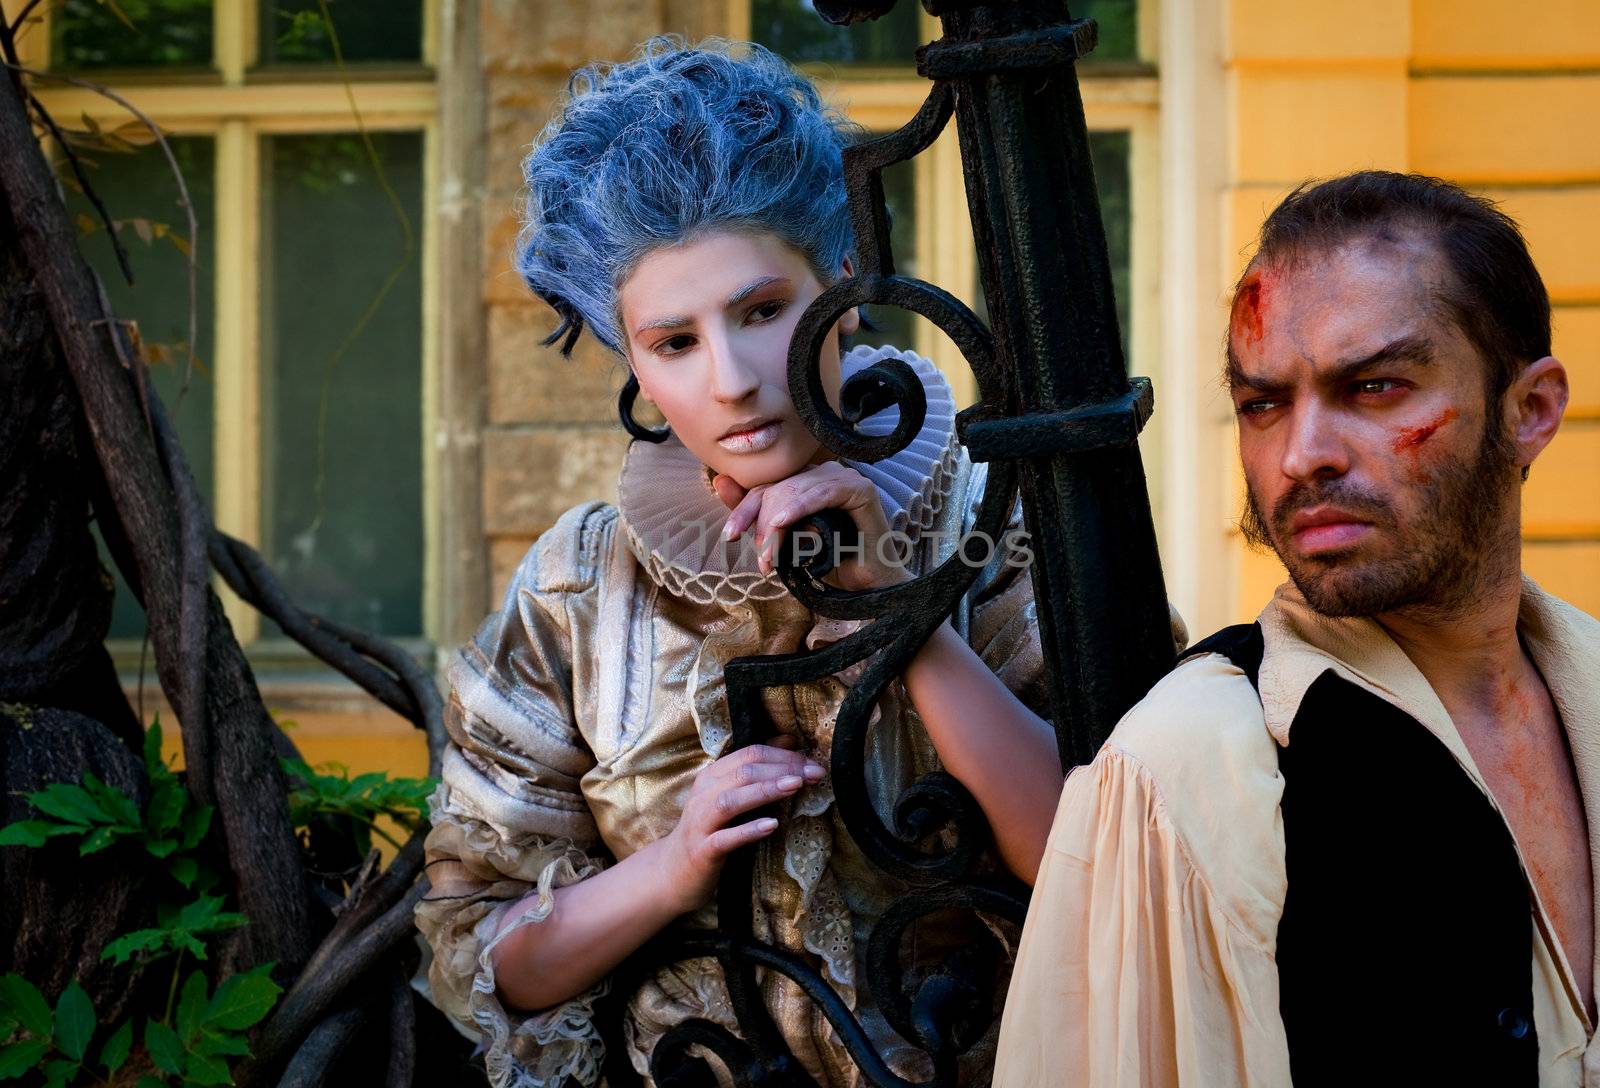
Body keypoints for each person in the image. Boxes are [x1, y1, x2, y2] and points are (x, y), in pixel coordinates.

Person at [414, 37, 1068, 1088]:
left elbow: (1102, 862)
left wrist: (898, 609)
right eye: (673, 342)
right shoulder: (577, 585)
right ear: (634, 361)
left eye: (762, 311)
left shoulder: (1003, 518)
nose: (729, 380)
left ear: (844, 289)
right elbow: (488, 956)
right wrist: (671, 866)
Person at [993, 170, 1596, 1087]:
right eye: (1263, 404)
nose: (1302, 454)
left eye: (1376, 385)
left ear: (1532, 410)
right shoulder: (1186, 768)